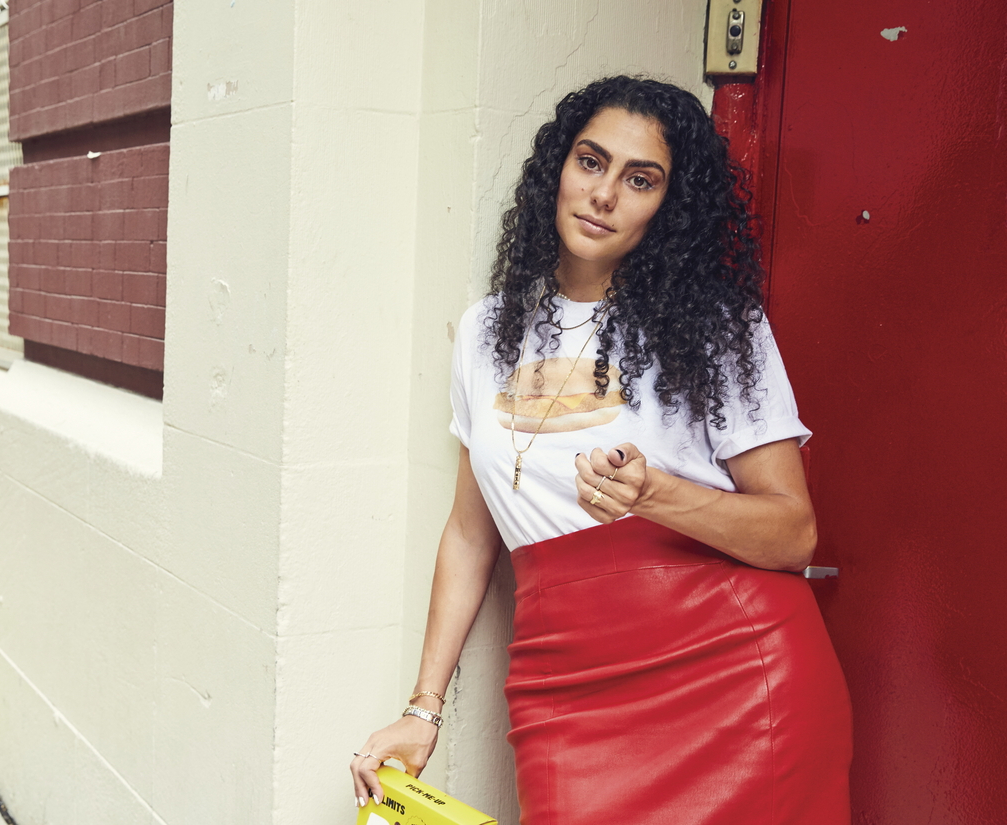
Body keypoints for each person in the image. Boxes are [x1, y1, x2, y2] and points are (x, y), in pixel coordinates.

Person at [350, 75, 852, 825]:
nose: (604, 193)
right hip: (564, 684)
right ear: (558, 165)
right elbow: (468, 533)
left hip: (738, 685)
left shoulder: (715, 328)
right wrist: (422, 709)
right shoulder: (488, 331)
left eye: (639, 179)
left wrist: (660, 496)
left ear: (668, 208)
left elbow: (793, 532)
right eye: (591, 162)